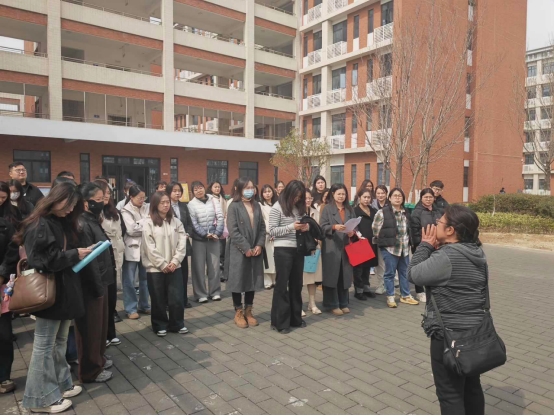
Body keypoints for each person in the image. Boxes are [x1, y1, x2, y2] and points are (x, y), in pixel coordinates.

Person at [17, 182, 91, 413]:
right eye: (67, 204)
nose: (69, 210)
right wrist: (73, 254)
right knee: (44, 346)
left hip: (62, 291)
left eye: (73, 206)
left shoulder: (57, 221)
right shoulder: (40, 224)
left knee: (59, 342)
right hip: (49, 292)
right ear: (55, 199)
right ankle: (39, 399)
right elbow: (42, 261)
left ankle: (61, 384)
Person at [408, 205, 487, 414]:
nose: (436, 224)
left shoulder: (446, 257)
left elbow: (413, 274)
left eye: (440, 222)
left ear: (451, 230)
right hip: (475, 330)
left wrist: (425, 245)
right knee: (471, 387)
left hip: (449, 336)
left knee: (450, 393)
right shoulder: (476, 251)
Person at [75, 182, 114, 383]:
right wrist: (97, 285)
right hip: (92, 284)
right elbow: (88, 260)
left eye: (103, 199)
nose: (102, 203)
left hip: (102, 279)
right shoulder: (82, 223)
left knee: (100, 326)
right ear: (85, 203)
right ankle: (90, 370)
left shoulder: (93, 220)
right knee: (90, 328)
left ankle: (99, 358)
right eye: (98, 200)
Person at [141, 192, 188, 336]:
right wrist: (162, 264)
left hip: (174, 266)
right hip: (155, 268)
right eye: (162, 202)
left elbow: (182, 243)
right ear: (155, 204)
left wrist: (175, 261)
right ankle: (160, 324)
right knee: (158, 298)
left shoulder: (176, 221)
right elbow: (149, 247)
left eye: (167, 202)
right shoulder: (148, 222)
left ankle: (177, 323)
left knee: (176, 297)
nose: (166, 205)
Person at [226, 178, 266, 328]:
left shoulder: (257, 205)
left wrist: (259, 244)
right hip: (239, 250)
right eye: (247, 187)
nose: (250, 190)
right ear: (239, 189)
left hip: (255, 249)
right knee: (237, 280)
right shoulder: (234, 206)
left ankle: (249, 311)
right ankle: (238, 311)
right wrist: (246, 248)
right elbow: (233, 231)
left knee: (252, 280)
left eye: (252, 187)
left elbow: (262, 227)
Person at [269, 180, 307, 334]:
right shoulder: (277, 207)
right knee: (282, 285)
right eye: (295, 196)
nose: (297, 199)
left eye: (300, 197)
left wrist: (306, 227)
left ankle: (295, 318)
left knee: (297, 285)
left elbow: (305, 223)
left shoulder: (300, 208)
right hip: (282, 249)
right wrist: (291, 227)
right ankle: (280, 322)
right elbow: (272, 231)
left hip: (298, 249)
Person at [372, 188, 419, 308]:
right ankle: (390, 296)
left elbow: (409, 230)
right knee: (390, 274)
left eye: (400, 196)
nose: (397, 198)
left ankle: (405, 295)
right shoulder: (382, 212)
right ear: (390, 198)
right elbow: (375, 229)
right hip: (390, 248)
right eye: (395, 196)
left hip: (404, 248)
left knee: (404, 273)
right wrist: (385, 240)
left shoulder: (406, 212)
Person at [319, 184, 356, 316]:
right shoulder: (327, 209)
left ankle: (343, 302)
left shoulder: (349, 209)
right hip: (331, 245)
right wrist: (334, 227)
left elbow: (355, 225)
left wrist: (352, 232)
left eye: (343, 194)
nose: (341, 196)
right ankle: (332, 304)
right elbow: (322, 227)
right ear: (333, 194)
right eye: (339, 194)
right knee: (332, 275)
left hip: (346, 246)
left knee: (344, 275)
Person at [94, 180, 124, 333]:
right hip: (102, 258)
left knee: (112, 294)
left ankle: (111, 330)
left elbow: (122, 230)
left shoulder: (114, 211)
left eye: (108, 193)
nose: (106, 196)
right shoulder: (94, 214)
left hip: (116, 255)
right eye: (103, 192)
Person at [187, 181, 224, 303]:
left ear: (204, 188)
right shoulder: (191, 204)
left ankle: (215, 292)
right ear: (193, 192)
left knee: (214, 266)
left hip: (214, 238)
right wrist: (204, 234)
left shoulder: (213, 200)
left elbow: (220, 217)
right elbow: (193, 223)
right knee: (198, 267)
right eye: (196, 189)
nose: (199, 191)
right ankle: (200, 294)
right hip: (199, 239)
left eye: (200, 188)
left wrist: (217, 233)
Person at [121, 185, 151, 319]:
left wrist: (139, 224)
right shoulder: (125, 210)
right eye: (139, 198)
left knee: (145, 279)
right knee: (129, 280)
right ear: (131, 197)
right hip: (131, 248)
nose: (142, 200)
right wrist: (145, 223)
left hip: (145, 247)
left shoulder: (147, 207)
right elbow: (131, 230)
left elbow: (153, 223)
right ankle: (131, 308)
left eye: (144, 197)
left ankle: (145, 305)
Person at [410, 188, 442, 303]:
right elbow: (414, 231)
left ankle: (432, 289)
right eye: (426, 197)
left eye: (430, 197)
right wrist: (419, 245)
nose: (428, 199)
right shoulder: (416, 212)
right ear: (421, 198)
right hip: (422, 244)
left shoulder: (438, 211)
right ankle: (419, 291)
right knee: (420, 268)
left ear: (434, 198)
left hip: (437, 245)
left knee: (434, 268)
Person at [167, 181, 193, 308]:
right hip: (169, 245)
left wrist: (187, 234)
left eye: (179, 191)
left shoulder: (184, 206)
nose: (177, 193)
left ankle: (183, 299)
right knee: (171, 274)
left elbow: (189, 223)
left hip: (183, 244)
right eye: (174, 191)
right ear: (169, 192)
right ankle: (169, 301)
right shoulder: (165, 205)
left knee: (183, 274)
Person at [0, 208, 16, 394]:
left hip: (2, 285)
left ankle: (4, 375)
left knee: (4, 335)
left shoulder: (5, 225)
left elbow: (13, 250)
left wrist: (3, 273)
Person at [353, 188, 379, 300]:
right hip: (359, 242)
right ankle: (358, 291)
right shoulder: (355, 211)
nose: (367, 199)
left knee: (368, 267)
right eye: (364, 197)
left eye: (369, 197)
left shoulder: (373, 211)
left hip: (371, 242)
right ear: (359, 198)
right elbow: (353, 226)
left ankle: (366, 288)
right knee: (359, 268)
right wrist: (358, 235)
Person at [302, 189, 323, 315]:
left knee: (312, 277)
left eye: (309, 198)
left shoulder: (316, 212)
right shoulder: (296, 213)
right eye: (305, 198)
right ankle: (298, 305)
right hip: (301, 249)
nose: (308, 200)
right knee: (300, 278)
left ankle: (312, 303)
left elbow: (320, 230)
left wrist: (317, 239)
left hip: (314, 249)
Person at [207, 181, 227, 280]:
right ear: (211, 188)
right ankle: (212, 271)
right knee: (213, 252)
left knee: (222, 251)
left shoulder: (223, 199)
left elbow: (226, 212)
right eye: (215, 187)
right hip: (213, 228)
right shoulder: (208, 199)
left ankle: (221, 272)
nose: (217, 189)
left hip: (223, 228)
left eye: (218, 187)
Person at [371, 185, 389, 294]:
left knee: (390, 262)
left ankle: (390, 284)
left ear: (386, 194)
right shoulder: (371, 205)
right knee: (379, 263)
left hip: (389, 238)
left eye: (382, 193)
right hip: (377, 238)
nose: (380, 195)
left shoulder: (390, 205)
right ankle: (380, 284)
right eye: (378, 193)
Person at [259, 184, 277, 289]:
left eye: (269, 191)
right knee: (267, 259)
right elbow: (263, 221)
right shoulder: (260, 206)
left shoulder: (277, 204)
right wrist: (270, 232)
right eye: (265, 192)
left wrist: (276, 232)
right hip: (267, 235)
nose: (267, 194)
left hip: (277, 235)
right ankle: (267, 281)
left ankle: (275, 279)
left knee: (275, 258)